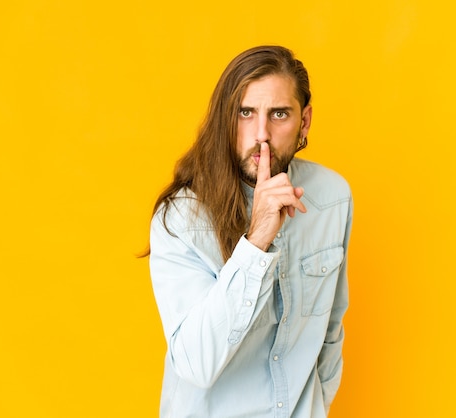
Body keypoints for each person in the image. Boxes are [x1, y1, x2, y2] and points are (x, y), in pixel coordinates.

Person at [147, 45, 353, 418]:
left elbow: (331, 328)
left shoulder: (333, 198)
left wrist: (316, 403)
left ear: (304, 121)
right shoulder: (180, 218)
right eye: (245, 113)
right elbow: (195, 365)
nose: (262, 134)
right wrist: (256, 241)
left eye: (279, 114)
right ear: (226, 119)